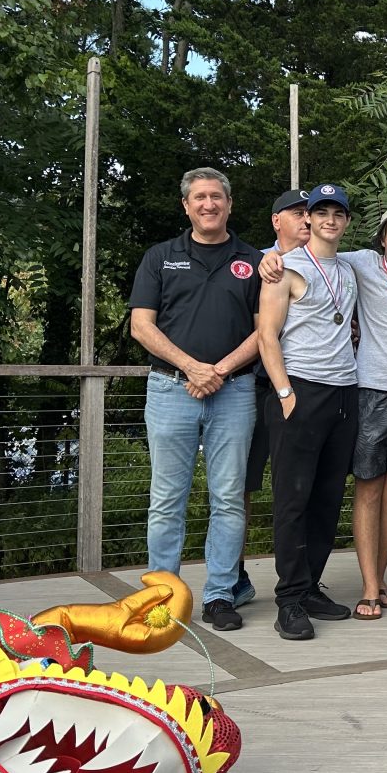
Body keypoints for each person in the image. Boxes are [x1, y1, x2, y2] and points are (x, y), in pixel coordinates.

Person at [268, 204, 387, 612]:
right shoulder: (360, 263)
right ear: (381, 239)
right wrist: (270, 256)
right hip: (367, 392)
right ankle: (368, 587)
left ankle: (380, 577)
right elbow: (312, 250)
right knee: (368, 489)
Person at [128, 167, 262, 634]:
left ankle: (221, 593)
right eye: (199, 198)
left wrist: (218, 371)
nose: (209, 204)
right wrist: (192, 367)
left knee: (228, 498)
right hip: (170, 389)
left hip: (235, 390)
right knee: (167, 499)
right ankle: (162, 595)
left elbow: (267, 329)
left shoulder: (253, 259)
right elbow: (141, 326)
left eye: (217, 197)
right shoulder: (161, 257)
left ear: (229, 204)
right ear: (186, 206)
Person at [257, 184, 360, 641]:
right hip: (299, 390)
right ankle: (289, 599)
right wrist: (283, 391)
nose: (329, 221)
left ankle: (311, 584)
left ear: (346, 222)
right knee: (292, 499)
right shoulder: (285, 268)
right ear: (308, 220)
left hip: (344, 393)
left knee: (327, 498)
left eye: (338, 214)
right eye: (321, 213)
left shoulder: (351, 266)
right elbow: (266, 335)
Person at [239, 188, 311, 608]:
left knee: (300, 489)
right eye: (296, 213)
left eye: (310, 213)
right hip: (255, 388)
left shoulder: (333, 265)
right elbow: (255, 328)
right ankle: (235, 575)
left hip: (308, 392)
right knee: (243, 487)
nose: (305, 220)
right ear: (276, 221)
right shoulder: (257, 265)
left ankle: (301, 582)